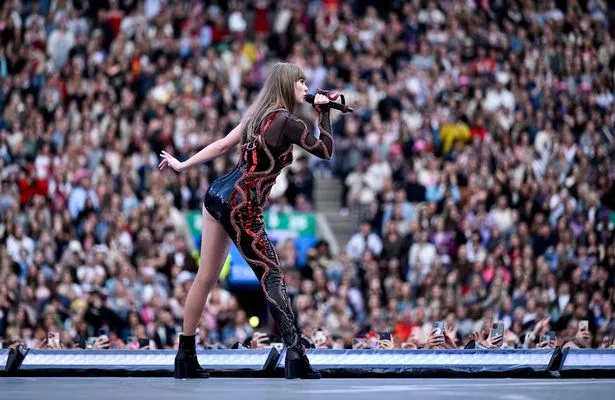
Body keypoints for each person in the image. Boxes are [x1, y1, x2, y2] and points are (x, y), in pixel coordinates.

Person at [159, 62, 336, 379]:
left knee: (206, 277)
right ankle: (296, 356)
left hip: (216, 194)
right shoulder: (287, 122)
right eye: (302, 82)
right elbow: (325, 150)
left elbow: (222, 144)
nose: (307, 88)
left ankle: (185, 356)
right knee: (273, 277)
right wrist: (324, 114)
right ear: (287, 84)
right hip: (242, 207)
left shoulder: (257, 115)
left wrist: (183, 165)